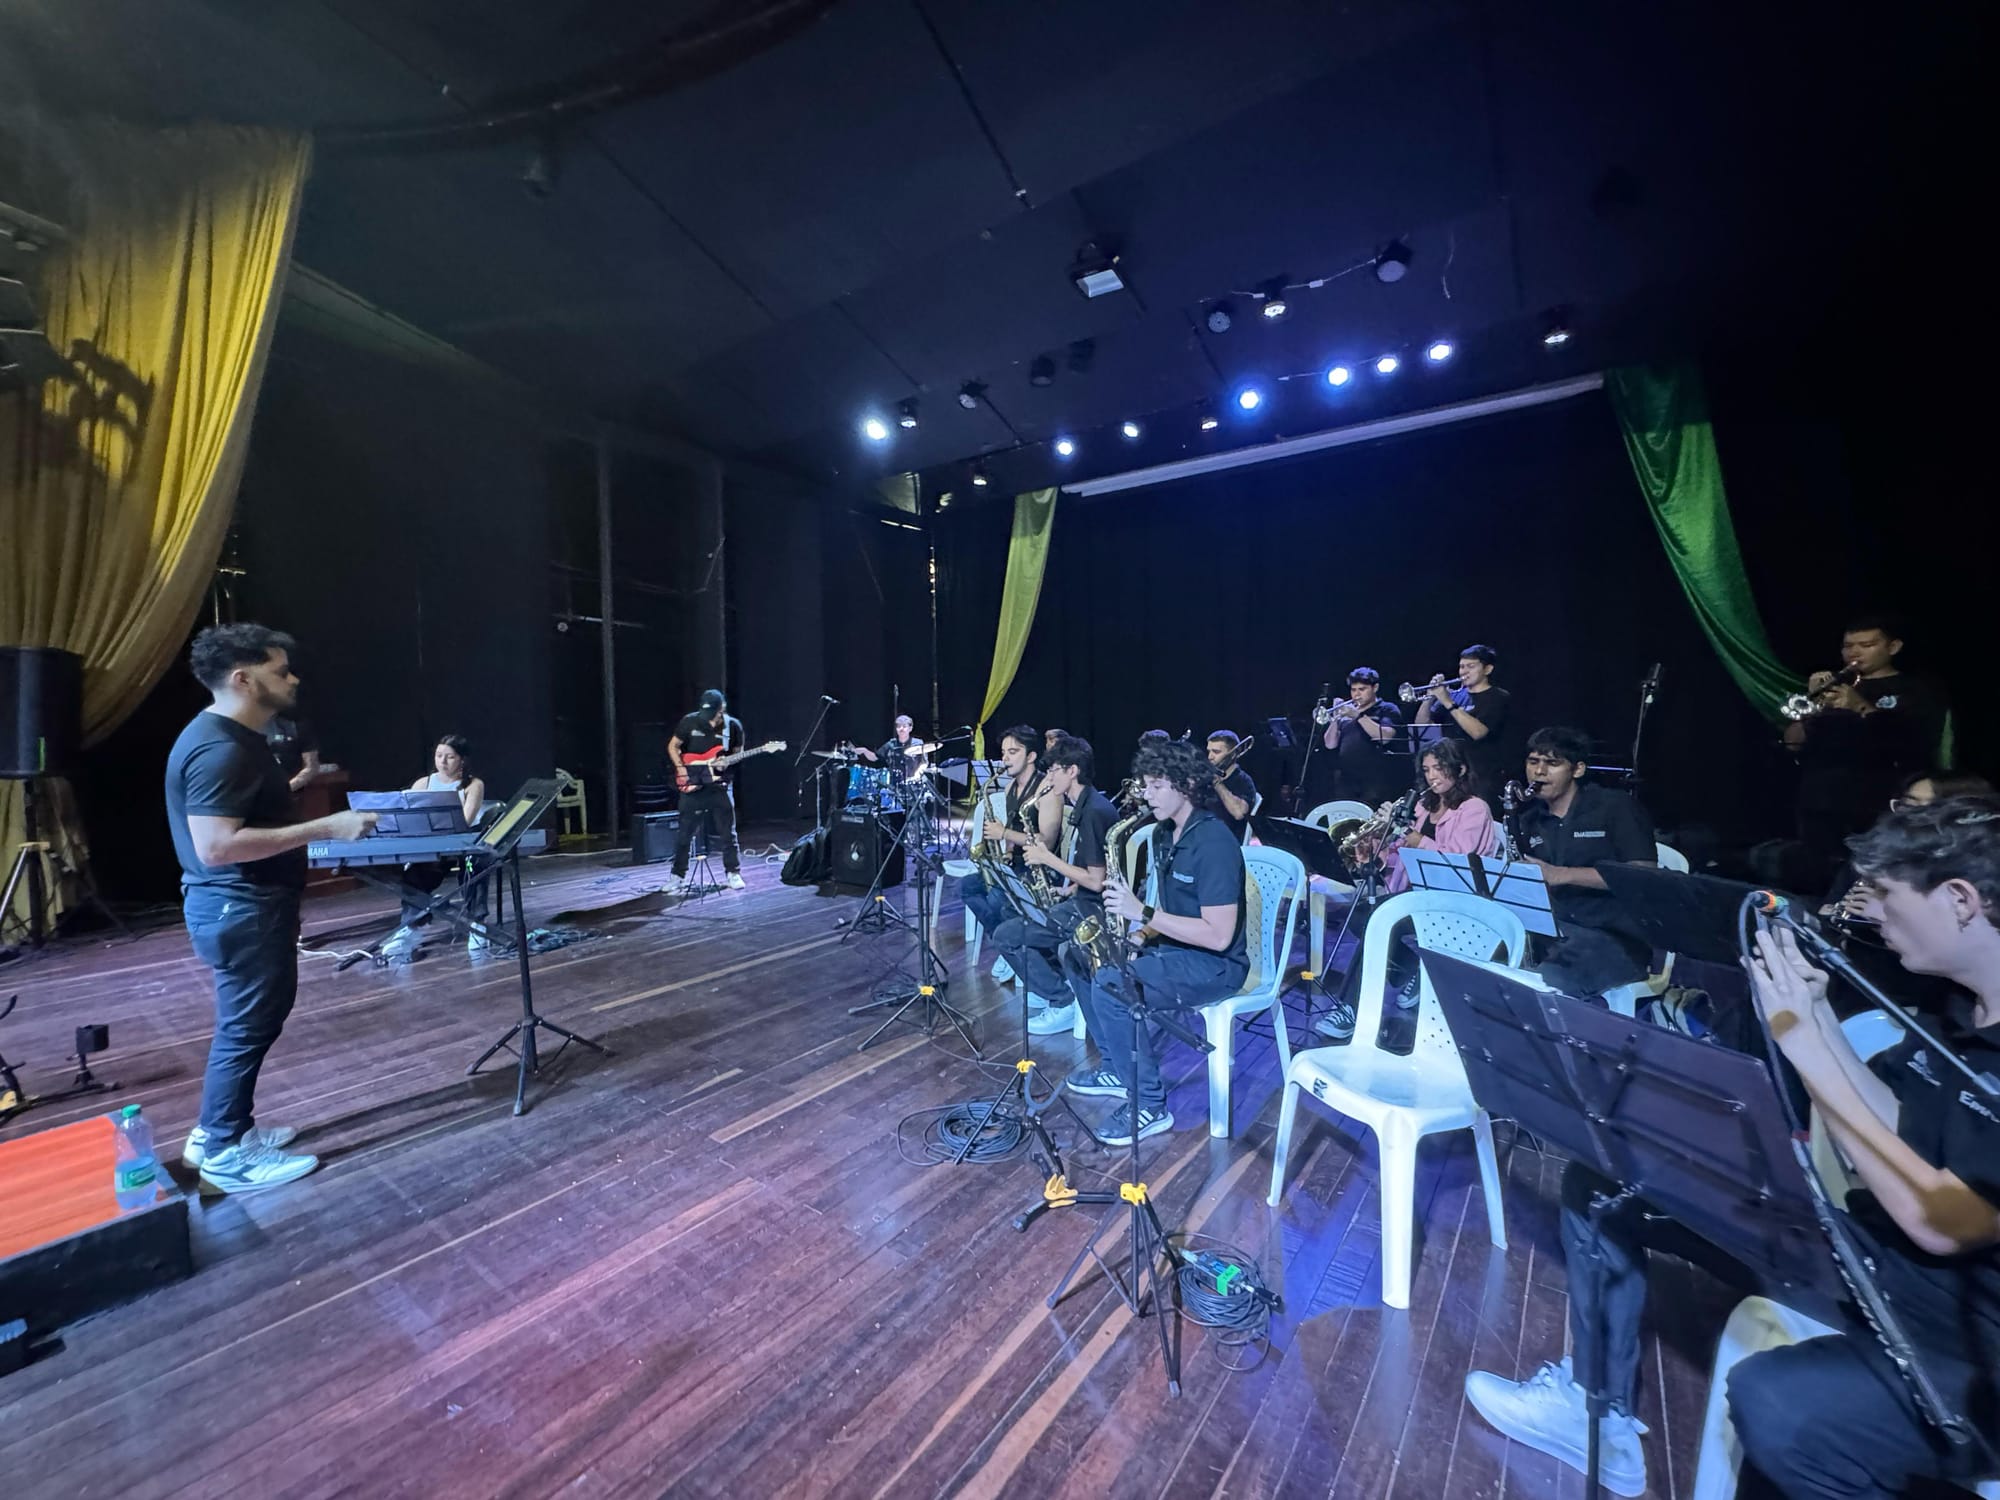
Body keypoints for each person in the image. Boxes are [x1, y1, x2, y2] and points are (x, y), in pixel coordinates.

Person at [1463, 795, 2000, 1498]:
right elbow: (1899, 1125)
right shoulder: (1957, 1012)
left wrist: (1805, 1048)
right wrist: (1812, 1020)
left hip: (1956, 1331)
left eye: (1888, 895)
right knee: (1602, 1184)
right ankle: (1597, 1413)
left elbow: (1944, 1222)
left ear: (1960, 900)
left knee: (1778, 1407)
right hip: (1866, 1248)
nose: (1871, 911)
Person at [165, 624, 376, 1194]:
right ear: (243, 679)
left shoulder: (234, 738)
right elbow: (216, 847)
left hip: (244, 908)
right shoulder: (221, 749)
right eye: (280, 671)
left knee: (247, 1025)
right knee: (246, 1028)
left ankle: (218, 1131)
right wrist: (327, 827)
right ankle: (225, 1151)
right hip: (241, 909)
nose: (293, 679)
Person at [1062, 739, 1248, 1146]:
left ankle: (1149, 1104)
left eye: (1157, 785)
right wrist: (1140, 934)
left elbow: (1219, 937)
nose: (1147, 795)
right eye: (1146, 785)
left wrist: (1142, 913)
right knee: (1076, 955)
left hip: (1215, 966)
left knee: (1111, 984)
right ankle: (1115, 1067)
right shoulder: (1163, 834)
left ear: (1187, 784)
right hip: (1173, 948)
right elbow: (1169, 908)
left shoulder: (1214, 843)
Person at [1314, 738, 1502, 1040]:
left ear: (1460, 769)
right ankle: (1416, 967)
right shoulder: (1423, 806)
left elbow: (1457, 860)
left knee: (1378, 920)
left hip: (1455, 900)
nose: (1432, 776)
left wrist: (1415, 838)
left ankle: (1351, 1008)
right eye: (1426, 770)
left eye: (1439, 768)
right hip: (1416, 895)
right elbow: (1400, 858)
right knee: (1361, 917)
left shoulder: (1474, 808)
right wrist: (1374, 848)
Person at [1772, 614, 1954, 894]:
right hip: (1820, 800)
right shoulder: (1833, 690)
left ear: (1893, 647)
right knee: (1814, 878)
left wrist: (1860, 706)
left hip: (1876, 801)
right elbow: (1793, 744)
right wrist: (1812, 707)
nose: (1854, 653)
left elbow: (1912, 742)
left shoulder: (1915, 689)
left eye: (1867, 645)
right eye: (1848, 646)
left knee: (1868, 876)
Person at [987, 736, 1118, 1036]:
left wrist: (1047, 858)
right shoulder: (1087, 805)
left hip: (1092, 913)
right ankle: (1054, 987)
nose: (1049, 778)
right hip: (1082, 899)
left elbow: (1097, 881)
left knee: (1007, 936)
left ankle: (1062, 1001)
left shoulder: (1094, 812)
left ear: (1072, 771)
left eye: (1054, 770)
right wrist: (1068, 889)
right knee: (1013, 916)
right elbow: (1099, 870)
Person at [1516, 726, 1658, 999]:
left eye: (1552, 763)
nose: (1539, 772)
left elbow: (1644, 875)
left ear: (1578, 770)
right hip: (1556, 932)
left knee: (1545, 983)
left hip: (1614, 937)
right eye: (1533, 762)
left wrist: (1560, 874)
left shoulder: (1615, 807)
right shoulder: (1528, 819)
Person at [962, 725, 1057, 981]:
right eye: (1004, 752)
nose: (1005, 758)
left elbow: (1046, 842)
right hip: (1014, 864)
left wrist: (1003, 833)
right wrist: (1006, 851)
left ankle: (1013, 948)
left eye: (1013, 752)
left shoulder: (1046, 790)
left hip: (1039, 870)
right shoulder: (1009, 789)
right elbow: (1015, 828)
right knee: (967, 887)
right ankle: (1005, 946)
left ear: (1031, 756)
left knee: (996, 899)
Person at [397, 735, 490, 945]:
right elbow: (409, 818)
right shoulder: (423, 784)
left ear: (462, 760)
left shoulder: (473, 785)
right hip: (431, 845)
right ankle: (411, 927)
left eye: (450, 757)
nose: (443, 761)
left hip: (462, 844)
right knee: (414, 873)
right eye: (439, 756)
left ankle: (477, 923)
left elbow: (465, 820)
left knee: (476, 866)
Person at [667, 689, 746, 891]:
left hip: (720, 786)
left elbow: (738, 754)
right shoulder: (689, 722)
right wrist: (681, 769)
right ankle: (677, 876)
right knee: (684, 834)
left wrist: (727, 763)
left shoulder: (733, 726)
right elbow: (673, 746)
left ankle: (733, 873)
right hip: (694, 785)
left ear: (722, 709)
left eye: (713, 712)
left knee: (728, 834)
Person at [1413, 643, 1512, 798]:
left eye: (1471, 666)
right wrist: (1429, 697)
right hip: (1450, 774)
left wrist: (1447, 701)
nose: (1464, 671)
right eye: (1462, 666)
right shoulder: (1454, 696)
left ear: (1487, 669)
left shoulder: (1498, 697)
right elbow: (1421, 725)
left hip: (1481, 775)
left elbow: (1478, 732)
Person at [1317, 667, 1405, 810]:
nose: (1356, 694)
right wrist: (1335, 718)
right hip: (1346, 781)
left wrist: (1358, 716)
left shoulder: (1387, 709)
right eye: (1353, 690)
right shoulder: (1347, 712)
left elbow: (1385, 737)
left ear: (1375, 688)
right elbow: (1330, 744)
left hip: (1375, 782)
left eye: (1362, 689)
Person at [1206, 730, 1259, 842]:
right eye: (1209, 751)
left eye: (1216, 752)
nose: (1210, 757)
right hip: (1204, 836)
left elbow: (1239, 813)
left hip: (1225, 840)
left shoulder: (1243, 781)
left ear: (1233, 753)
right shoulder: (1205, 778)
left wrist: (1217, 783)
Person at [263, 713, 322, 793]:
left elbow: (311, 767)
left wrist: (285, 790)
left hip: (292, 790)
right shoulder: (249, 727)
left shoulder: (297, 725)